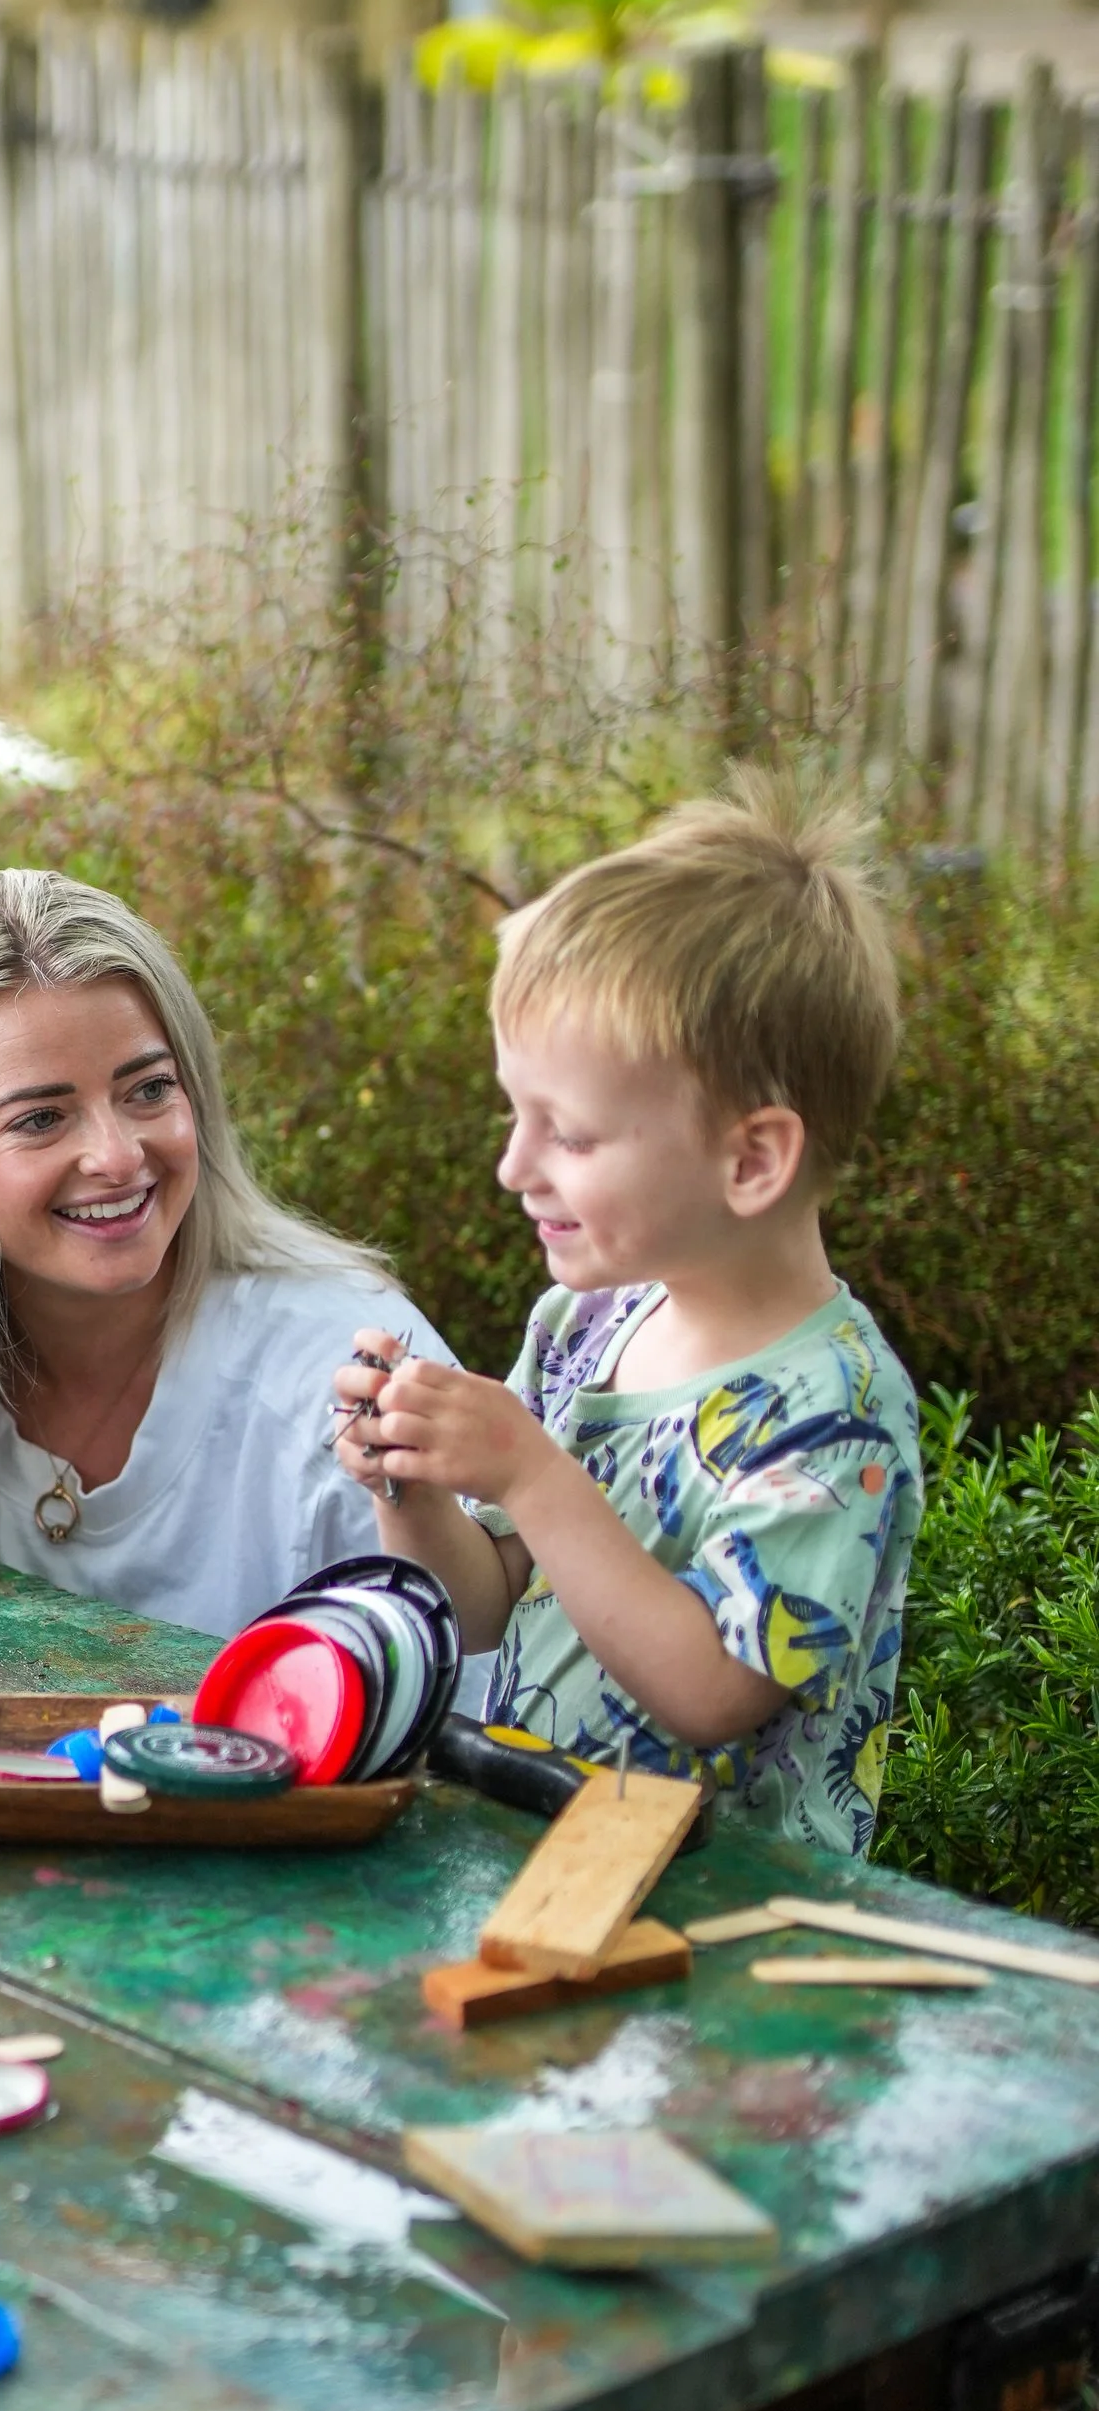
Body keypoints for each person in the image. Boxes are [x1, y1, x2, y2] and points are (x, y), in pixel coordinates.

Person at [331, 771, 920, 1853]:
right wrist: (413, 1492)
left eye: (571, 1135)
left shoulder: (835, 1415)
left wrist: (529, 1472)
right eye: (517, 1116)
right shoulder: (583, 1326)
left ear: (751, 1158)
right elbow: (486, 1603)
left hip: (728, 1931)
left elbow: (711, 1689)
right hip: (541, 1854)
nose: (514, 1167)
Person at [0, 868, 452, 1641]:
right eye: (42, 1118)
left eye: (149, 1089)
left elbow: (471, 1718)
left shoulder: (347, 1378)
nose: (118, 1157)